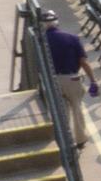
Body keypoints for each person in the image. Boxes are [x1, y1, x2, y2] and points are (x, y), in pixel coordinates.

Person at [41, 10, 96, 148]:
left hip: (51, 80)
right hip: (72, 79)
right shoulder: (72, 38)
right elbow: (83, 62)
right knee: (77, 109)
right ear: (57, 21)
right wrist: (93, 81)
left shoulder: (40, 42)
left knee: (60, 111)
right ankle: (80, 140)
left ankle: (64, 138)